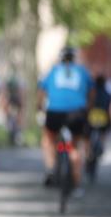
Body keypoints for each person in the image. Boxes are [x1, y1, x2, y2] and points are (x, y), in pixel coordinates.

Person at [38, 46, 94, 195]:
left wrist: (41, 107)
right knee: (74, 147)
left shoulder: (53, 71)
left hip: (55, 111)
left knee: (48, 139)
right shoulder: (82, 71)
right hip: (77, 112)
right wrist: (87, 108)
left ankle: (50, 168)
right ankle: (76, 186)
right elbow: (91, 92)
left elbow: (42, 92)